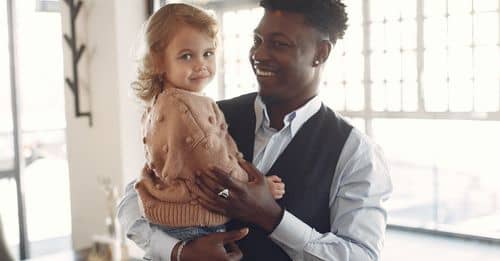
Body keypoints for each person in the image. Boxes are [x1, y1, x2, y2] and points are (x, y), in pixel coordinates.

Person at [118, 0, 392, 260]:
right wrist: (179, 252)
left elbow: (361, 256)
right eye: (257, 41)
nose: (259, 55)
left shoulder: (355, 152)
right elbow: (134, 199)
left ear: (321, 53)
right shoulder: (204, 115)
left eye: (279, 44)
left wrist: (271, 216)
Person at [130, 2, 286, 245]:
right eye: (186, 56)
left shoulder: (161, 102)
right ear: (158, 61)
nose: (200, 64)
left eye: (208, 53)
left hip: (170, 218)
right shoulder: (186, 108)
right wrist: (257, 186)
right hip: (194, 223)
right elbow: (215, 166)